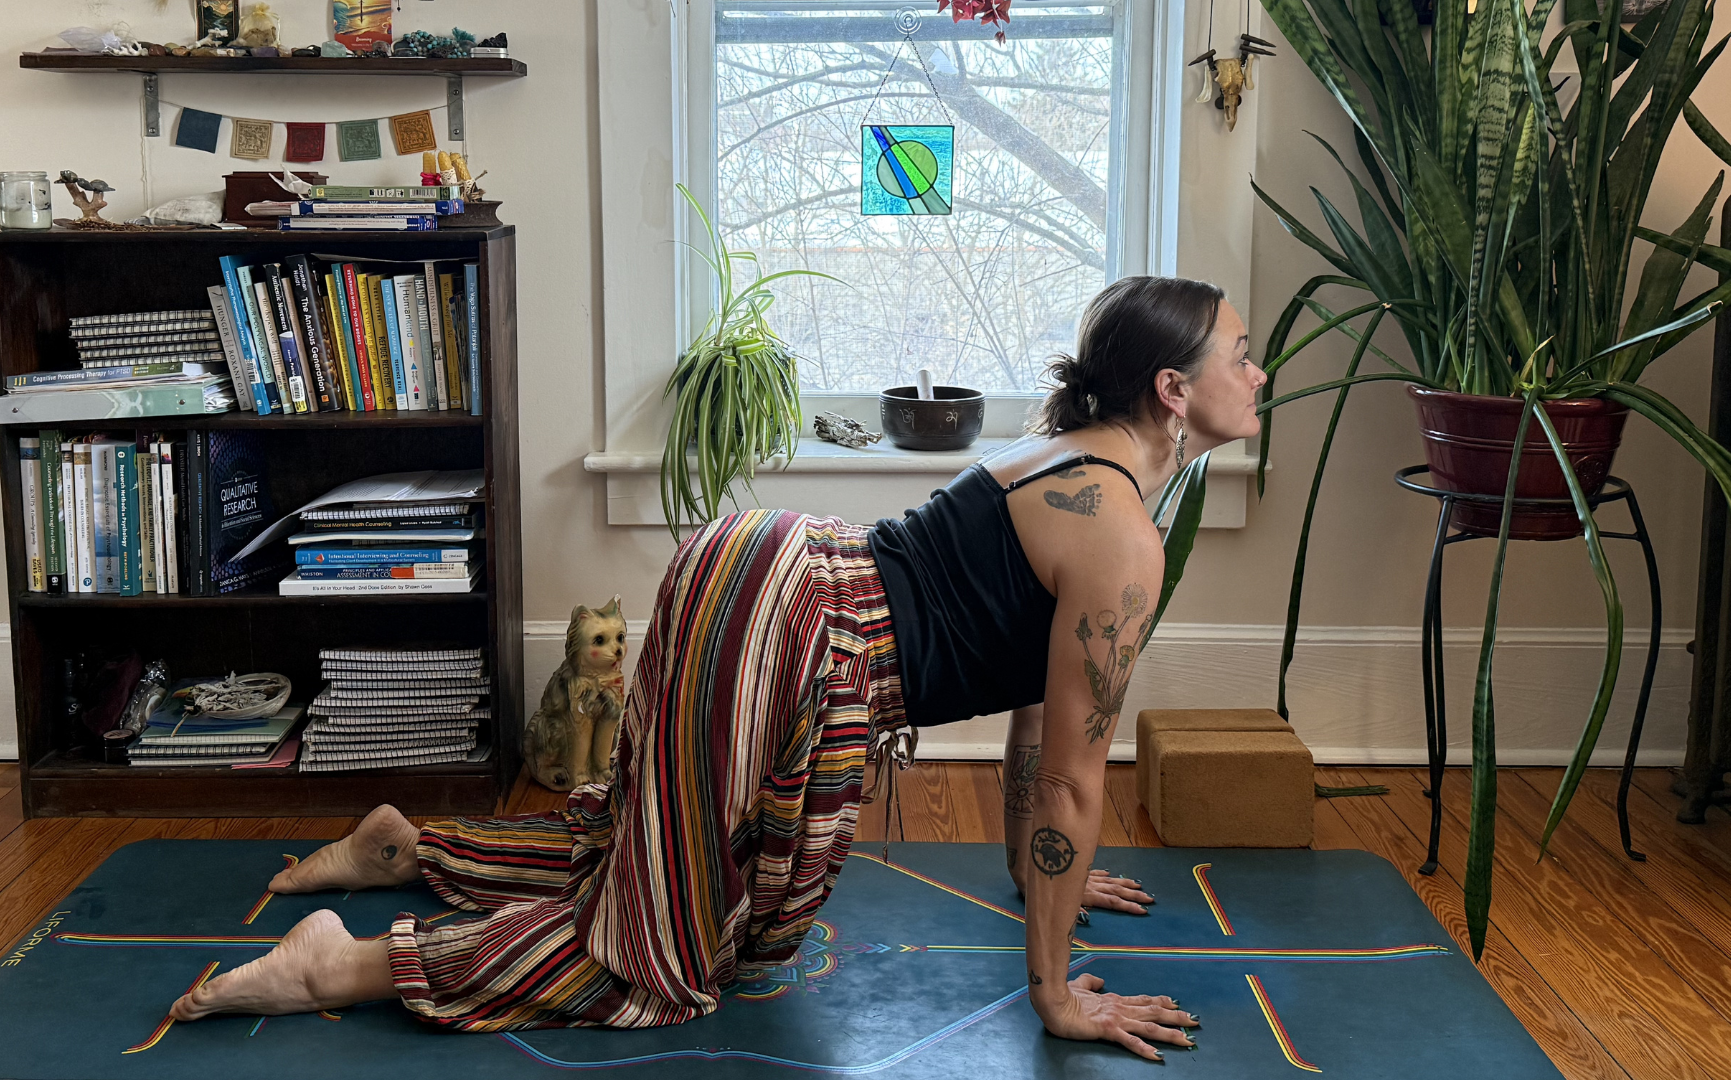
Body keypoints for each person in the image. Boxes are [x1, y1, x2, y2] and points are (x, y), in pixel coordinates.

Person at [168, 275, 1265, 1062]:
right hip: (802, 635)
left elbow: (1037, 713)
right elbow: (1075, 778)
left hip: (764, 570)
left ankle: (407, 846)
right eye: (1242, 356)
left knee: (648, 844)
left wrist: (1039, 877)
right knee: (668, 959)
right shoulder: (1123, 537)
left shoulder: (1057, 448)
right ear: (1174, 390)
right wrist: (1054, 996)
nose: (1257, 374)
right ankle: (341, 965)